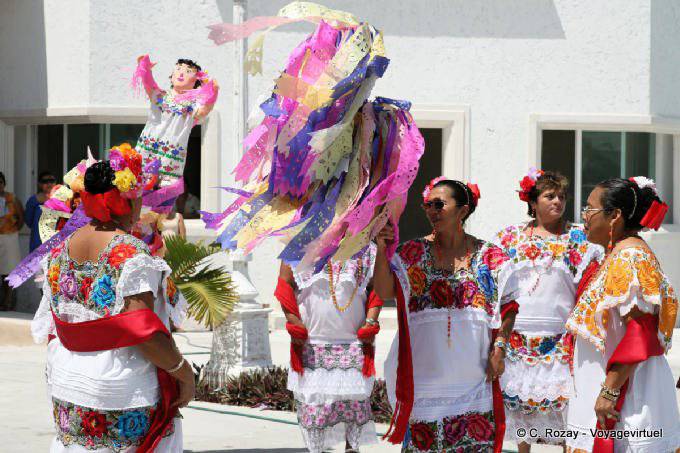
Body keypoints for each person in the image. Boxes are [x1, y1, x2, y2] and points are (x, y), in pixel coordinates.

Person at [31, 147, 192, 452]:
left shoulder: (59, 250)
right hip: (120, 387)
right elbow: (141, 329)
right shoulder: (131, 253)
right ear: (127, 202)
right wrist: (182, 372)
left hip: (69, 382)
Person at [377, 177, 520, 452]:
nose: (432, 211)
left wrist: (500, 347)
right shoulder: (411, 253)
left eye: (439, 204)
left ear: (463, 210)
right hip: (425, 382)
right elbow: (384, 291)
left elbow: (510, 306)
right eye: (427, 205)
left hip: (474, 380)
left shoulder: (490, 256)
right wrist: (382, 250)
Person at [565, 176, 680, 452]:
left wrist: (609, 392)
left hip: (628, 399)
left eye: (590, 209)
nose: (584, 217)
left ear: (614, 215)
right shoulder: (619, 254)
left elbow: (640, 333)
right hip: (615, 392)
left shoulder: (631, 258)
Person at [494, 169, 603, 450]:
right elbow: (497, 284)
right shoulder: (509, 238)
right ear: (532, 202)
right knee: (521, 413)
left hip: (561, 338)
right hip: (517, 336)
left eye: (562, 197)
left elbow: (590, 288)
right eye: (549, 196)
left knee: (568, 410)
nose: (558, 201)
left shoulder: (581, 239)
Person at [275, 244, 383, 453]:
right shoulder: (301, 244)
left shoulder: (366, 247)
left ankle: (352, 449)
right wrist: (293, 320)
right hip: (313, 344)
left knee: (354, 405)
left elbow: (377, 288)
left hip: (353, 343)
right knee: (315, 408)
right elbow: (284, 285)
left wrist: (371, 321)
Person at [132, 55, 218, 213]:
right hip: (147, 150)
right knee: (136, 192)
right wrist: (145, 69)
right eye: (178, 69)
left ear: (195, 81)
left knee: (162, 202)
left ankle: (155, 227)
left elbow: (207, 107)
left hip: (170, 158)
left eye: (188, 71)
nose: (181, 73)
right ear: (171, 76)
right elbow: (148, 84)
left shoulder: (193, 106)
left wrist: (211, 88)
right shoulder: (161, 96)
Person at [0, 171, 24, 310]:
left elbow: (21, 217)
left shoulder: (12, 198)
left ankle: (7, 302)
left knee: (8, 270)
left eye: (0, 182)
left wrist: (14, 231)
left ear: (4, 184)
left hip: (10, 237)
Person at [25, 171, 57, 252]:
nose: (49, 184)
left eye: (52, 181)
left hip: (57, 241)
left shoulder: (62, 199)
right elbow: (29, 221)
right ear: (39, 184)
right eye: (45, 182)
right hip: (38, 242)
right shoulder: (33, 200)